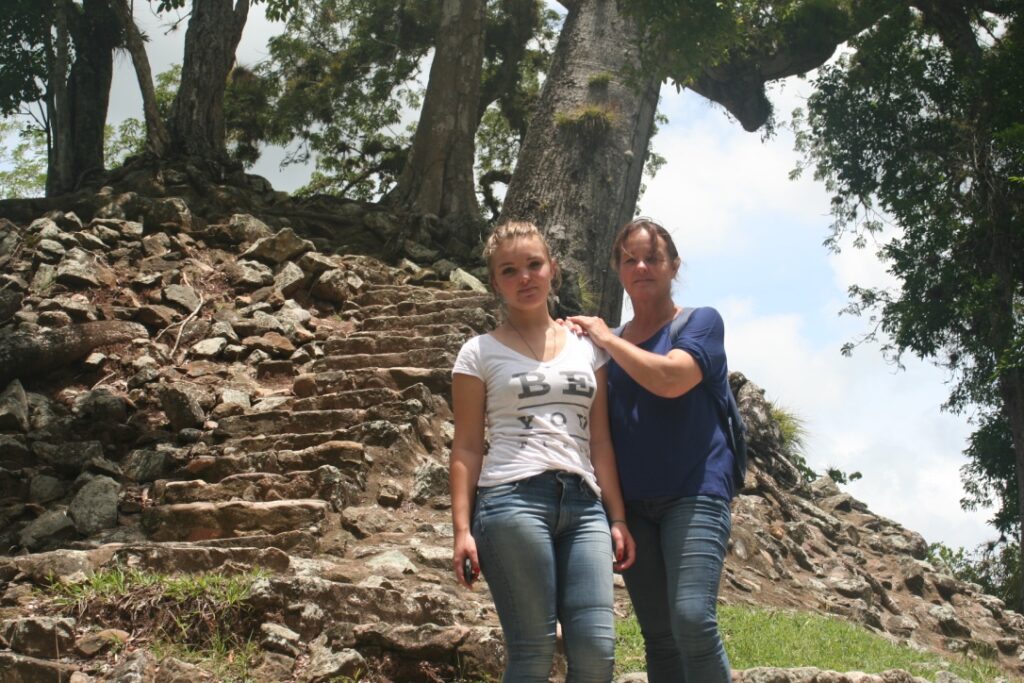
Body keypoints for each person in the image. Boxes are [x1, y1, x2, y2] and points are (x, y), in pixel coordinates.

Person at [449, 220, 636, 682]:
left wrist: (617, 517)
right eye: (509, 271)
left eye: (534, 265)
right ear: (495, 282)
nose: (525, 278)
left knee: (596, 652)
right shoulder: (478, 353)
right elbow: (468, 445)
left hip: (584, 504)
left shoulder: (587, 347)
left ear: (553, 269)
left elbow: (601, 440)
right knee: (532, 652)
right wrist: (460, 529)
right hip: (511, 500)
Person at [567, 217, 735, 682]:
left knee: (692, 619)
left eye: (652, 258)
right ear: (618, 269)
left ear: (673, 265)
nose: (641, 267)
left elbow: (671, 378)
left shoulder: (699, 323)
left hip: (695, 491)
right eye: (629, 259)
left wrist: (605, 339)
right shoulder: (608, 343)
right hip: (634, 505)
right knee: (659, 637)